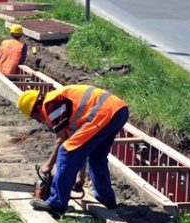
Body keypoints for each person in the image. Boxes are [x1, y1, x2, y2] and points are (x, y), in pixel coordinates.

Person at [17, 86, 129, 214]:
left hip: (104, 113)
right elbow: (80, 147)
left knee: (65, 152)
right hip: (118, 111)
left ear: (36, 107)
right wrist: (80, 177)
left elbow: (61, 140)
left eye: (35, 117)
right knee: (96, 157)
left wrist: (47, 166)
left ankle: (56, 203)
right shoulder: (60, 103)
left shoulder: (50, 104)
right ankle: (106, 200)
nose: (39, 120)